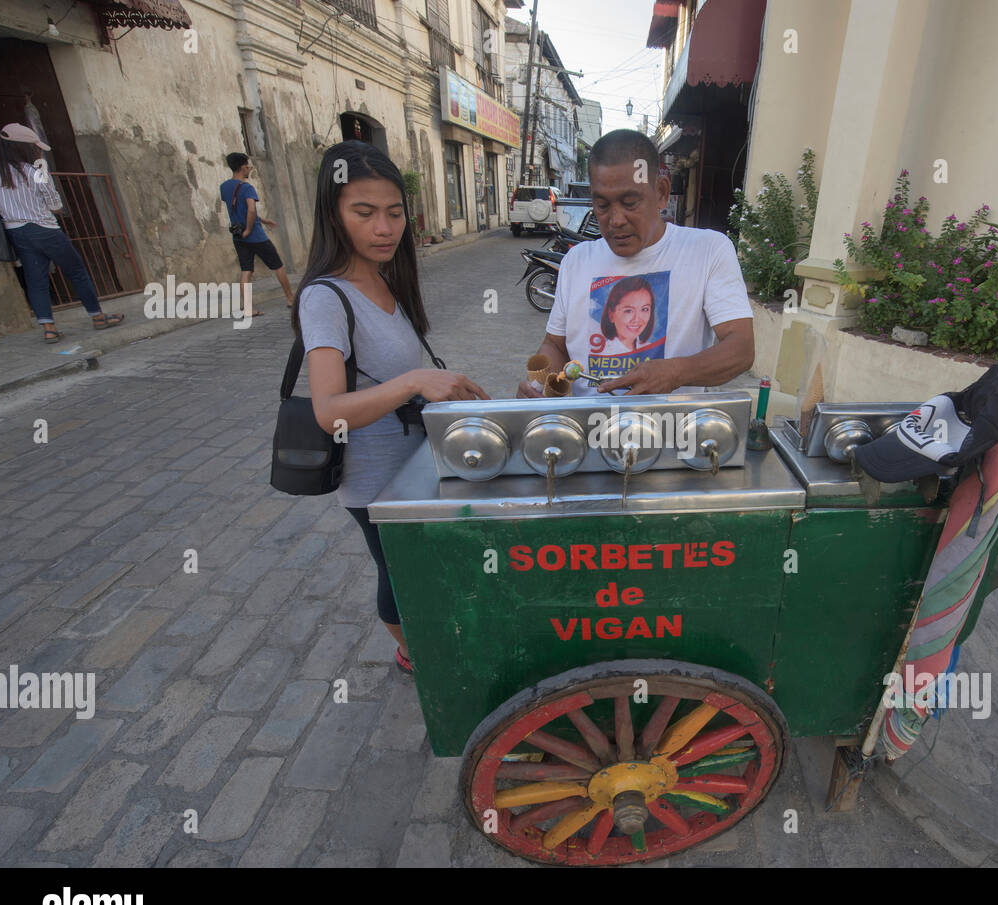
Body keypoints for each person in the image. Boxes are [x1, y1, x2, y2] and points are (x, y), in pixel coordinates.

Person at [295, 140, 488, 674]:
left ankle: (432, 633)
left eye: (395, 213)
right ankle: (414, 653)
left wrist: (444, 390)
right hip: (373, 478)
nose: (384, 228)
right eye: (364, 213)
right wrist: (414, 382)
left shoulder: (384, 280)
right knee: (398, 574)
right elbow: (328, 410)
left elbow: (398, 373)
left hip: (414, 466)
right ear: (333, 215)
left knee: (421, 568)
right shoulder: (324, 298)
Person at [516, 129, 753, 398]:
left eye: (630, 203)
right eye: (602, 205)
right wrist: (540, 383)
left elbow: (741, 348)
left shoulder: (707, 250)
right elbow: (556, 346)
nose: (615, 219)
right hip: (590, 432)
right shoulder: (576, 261)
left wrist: (676, 372)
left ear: (662, 193)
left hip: (672, 435)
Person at [0, 123, 124, 343]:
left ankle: (49, 329)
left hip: (16, 232)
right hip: (44, 230)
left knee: (36, 280)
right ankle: (98, 317)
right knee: (77, 271)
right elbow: (54, 205)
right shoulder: (34, 172)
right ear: (22, 148)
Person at [221, 152, 294, 314]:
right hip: (255, 236)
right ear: (242, 167)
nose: (249, 170)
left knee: (246, 270)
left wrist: (264, 220)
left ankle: (248, 308)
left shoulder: (224, 187)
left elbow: (239, 210)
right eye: (248, 167)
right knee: (278, 265)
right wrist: (249, 229)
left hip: (238, 236)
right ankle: (290, 298)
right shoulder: (247, 187)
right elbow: (251, 210)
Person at [599, 276, 655, 355]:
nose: (637, 319)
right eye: (628, 311)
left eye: (644, 309)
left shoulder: (651, 349)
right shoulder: (603, 354)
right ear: (611, 315)